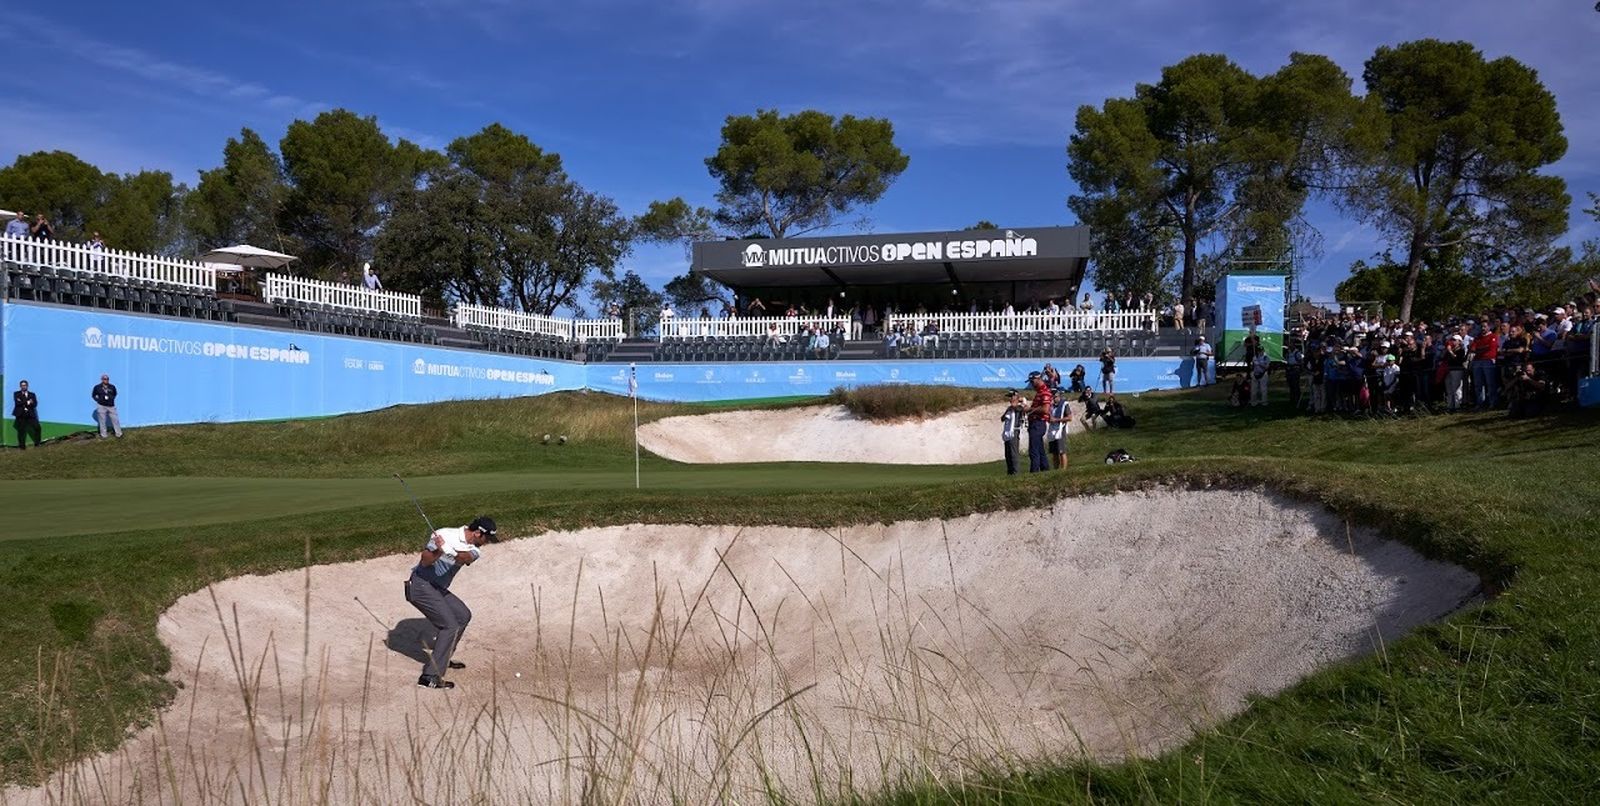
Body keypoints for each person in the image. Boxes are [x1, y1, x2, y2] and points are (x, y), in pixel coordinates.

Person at [404, 515, 498, 689]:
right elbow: (425, 561)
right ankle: (429, 677)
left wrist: (451, 551)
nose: (487, 542)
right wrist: (439, 550)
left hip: (437, 588)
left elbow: (466, 558)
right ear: (478, 533)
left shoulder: (474, 549)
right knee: (450, 626)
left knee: (463, 616)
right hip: (420, 585)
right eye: (487, 538)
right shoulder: (445, 534)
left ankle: (443, 657)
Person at [1026, 372, 1052, 472]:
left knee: (1034, 450)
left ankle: (1034, 472)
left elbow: (1045, 409)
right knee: (1040, 450)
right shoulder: (1040, 392)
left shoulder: (1044, 392)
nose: (1031, 383)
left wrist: (1030, 410)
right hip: (1036, 423)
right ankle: (1045, 469)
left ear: (1038, 379)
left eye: (1032, 381)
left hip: (1038, 423)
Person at [1046, 388, 1072, 469]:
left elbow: (1069, 417)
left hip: (1060, 430)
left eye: (1055, 396)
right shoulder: (1051, 406)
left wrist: (1056, 420)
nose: (1053, 399)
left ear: (1059, 396)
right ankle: (1055, 469)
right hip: (1052, 430)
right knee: (1054, 452)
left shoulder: (1064, 404)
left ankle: (1063, 470)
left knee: (1061, 451)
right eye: (1052, 397)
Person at [1000, 390, 1024, 475]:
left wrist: (1018, 401)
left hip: (1014, 432)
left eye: (1011, 397)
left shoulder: (1019, 407)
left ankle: (1016, 472)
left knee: (1014, 453)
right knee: (1008, 454)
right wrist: (1008, 409)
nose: (1010, 399)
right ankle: (1009, 471)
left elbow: (1018, 409)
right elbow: (1002, 418)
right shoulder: (1009, 408)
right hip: (1007, 433)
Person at [92, 374, 123, 438]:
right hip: (101, 406)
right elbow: (93, 395)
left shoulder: (112, 387)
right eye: (104, 379)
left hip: (111, 406)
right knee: (102, 421)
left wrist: (111, 398)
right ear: (102, 379)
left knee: (115, 420)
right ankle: (104, 435)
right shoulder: (97, 387)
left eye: (107, 379)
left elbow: (115, 393)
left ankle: (119, 434)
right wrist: (98, 400)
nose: (106, 380)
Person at [12, 380, 41, 449]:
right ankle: (22, 447)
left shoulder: (32, 394)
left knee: (37, 428)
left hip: (30, 415)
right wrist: (28, 402)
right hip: (21, 415)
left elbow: (35, 404)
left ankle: (37, 444)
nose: (23, 386)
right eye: (22, 385)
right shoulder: (16, 394)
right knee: (21, 431)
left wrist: (22, 402)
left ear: (27, 386)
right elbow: (17, 403)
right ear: (20, 386)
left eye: (24, 385)